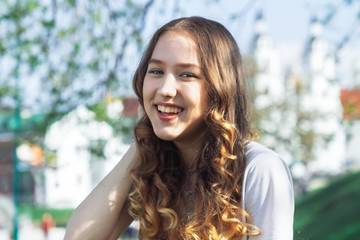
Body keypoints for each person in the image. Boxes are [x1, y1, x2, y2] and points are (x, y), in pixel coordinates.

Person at [64, 16, 294, 240]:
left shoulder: (260, 168)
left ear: (220, 88)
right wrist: (142, 140)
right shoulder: (155, 169)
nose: (165, 89)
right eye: (156, 71)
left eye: (187, 74)